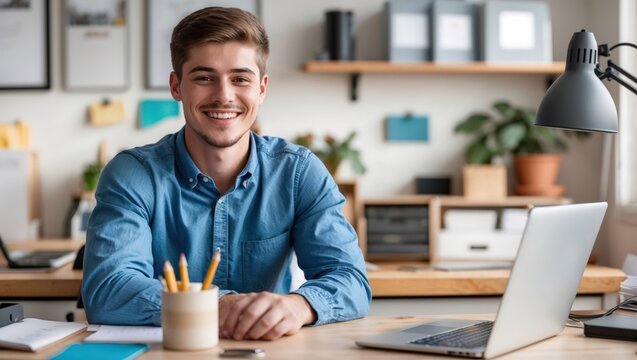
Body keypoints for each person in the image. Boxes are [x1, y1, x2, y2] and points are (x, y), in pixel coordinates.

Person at [81, 7, 371, 341]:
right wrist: (220, 306)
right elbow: (108, 290)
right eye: (204, 78)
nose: (224, 95)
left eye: (240, 79)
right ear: (176, 86)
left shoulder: (298, 171)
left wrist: (300, 305)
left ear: (261, 89)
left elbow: (350, 279)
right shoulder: (132, 174)